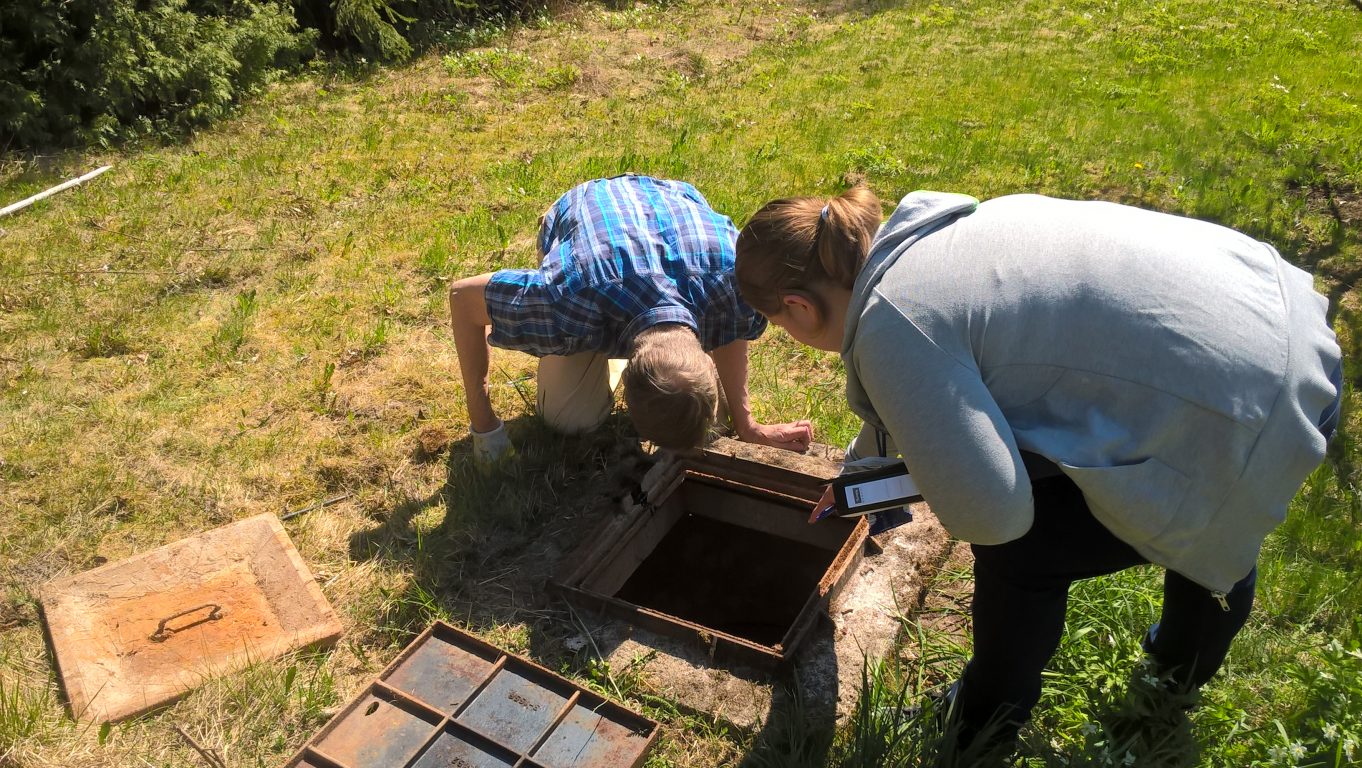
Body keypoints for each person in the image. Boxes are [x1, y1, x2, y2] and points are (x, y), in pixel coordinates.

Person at [735, 187, 1341, 749]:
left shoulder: (894, 323)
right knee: (1205, 521)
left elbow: (995, 514)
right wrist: (860, 483)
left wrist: (934, 477)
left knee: (1025, 554)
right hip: (1272, 317)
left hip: (1249, 411)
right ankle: (1172, 676)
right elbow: (932, 392)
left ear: (797, 307)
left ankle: (987, 718)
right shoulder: (920, 239)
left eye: (781, 328)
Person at [448, 174, 813, 462]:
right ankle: (594, 358)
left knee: (713, 428)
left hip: (672, 203)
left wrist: (746, 424)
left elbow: (731, 325)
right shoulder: (566, 297)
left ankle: (608, 364)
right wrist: (485, 428)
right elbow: (462, 297)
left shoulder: (734, 277)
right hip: (590, 209)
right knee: (569, 419)